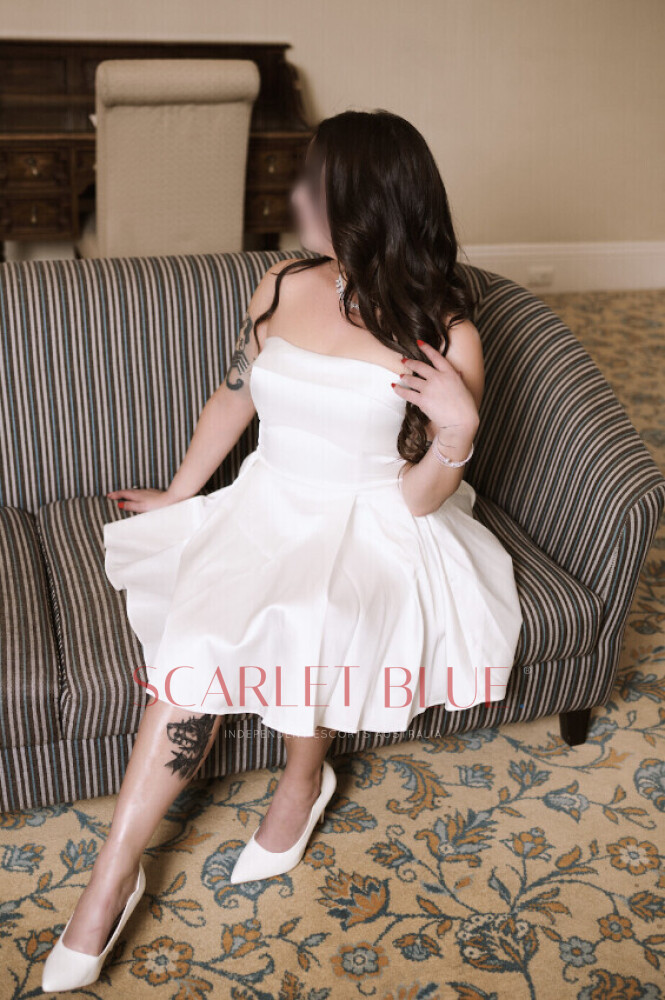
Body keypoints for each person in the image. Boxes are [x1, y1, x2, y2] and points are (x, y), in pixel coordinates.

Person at [42, 109, 523, 992]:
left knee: (316, 611)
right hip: (270, 500)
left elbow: (420, 495)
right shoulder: (282, 282)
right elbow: (234, 398)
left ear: (368, 200)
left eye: (314, 184)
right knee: (195, 645)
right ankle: (112, 876)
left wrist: (458, 430)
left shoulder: (445, 331)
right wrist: (181, 492)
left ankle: (303, 782)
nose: (295, 198)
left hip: (375, 516)